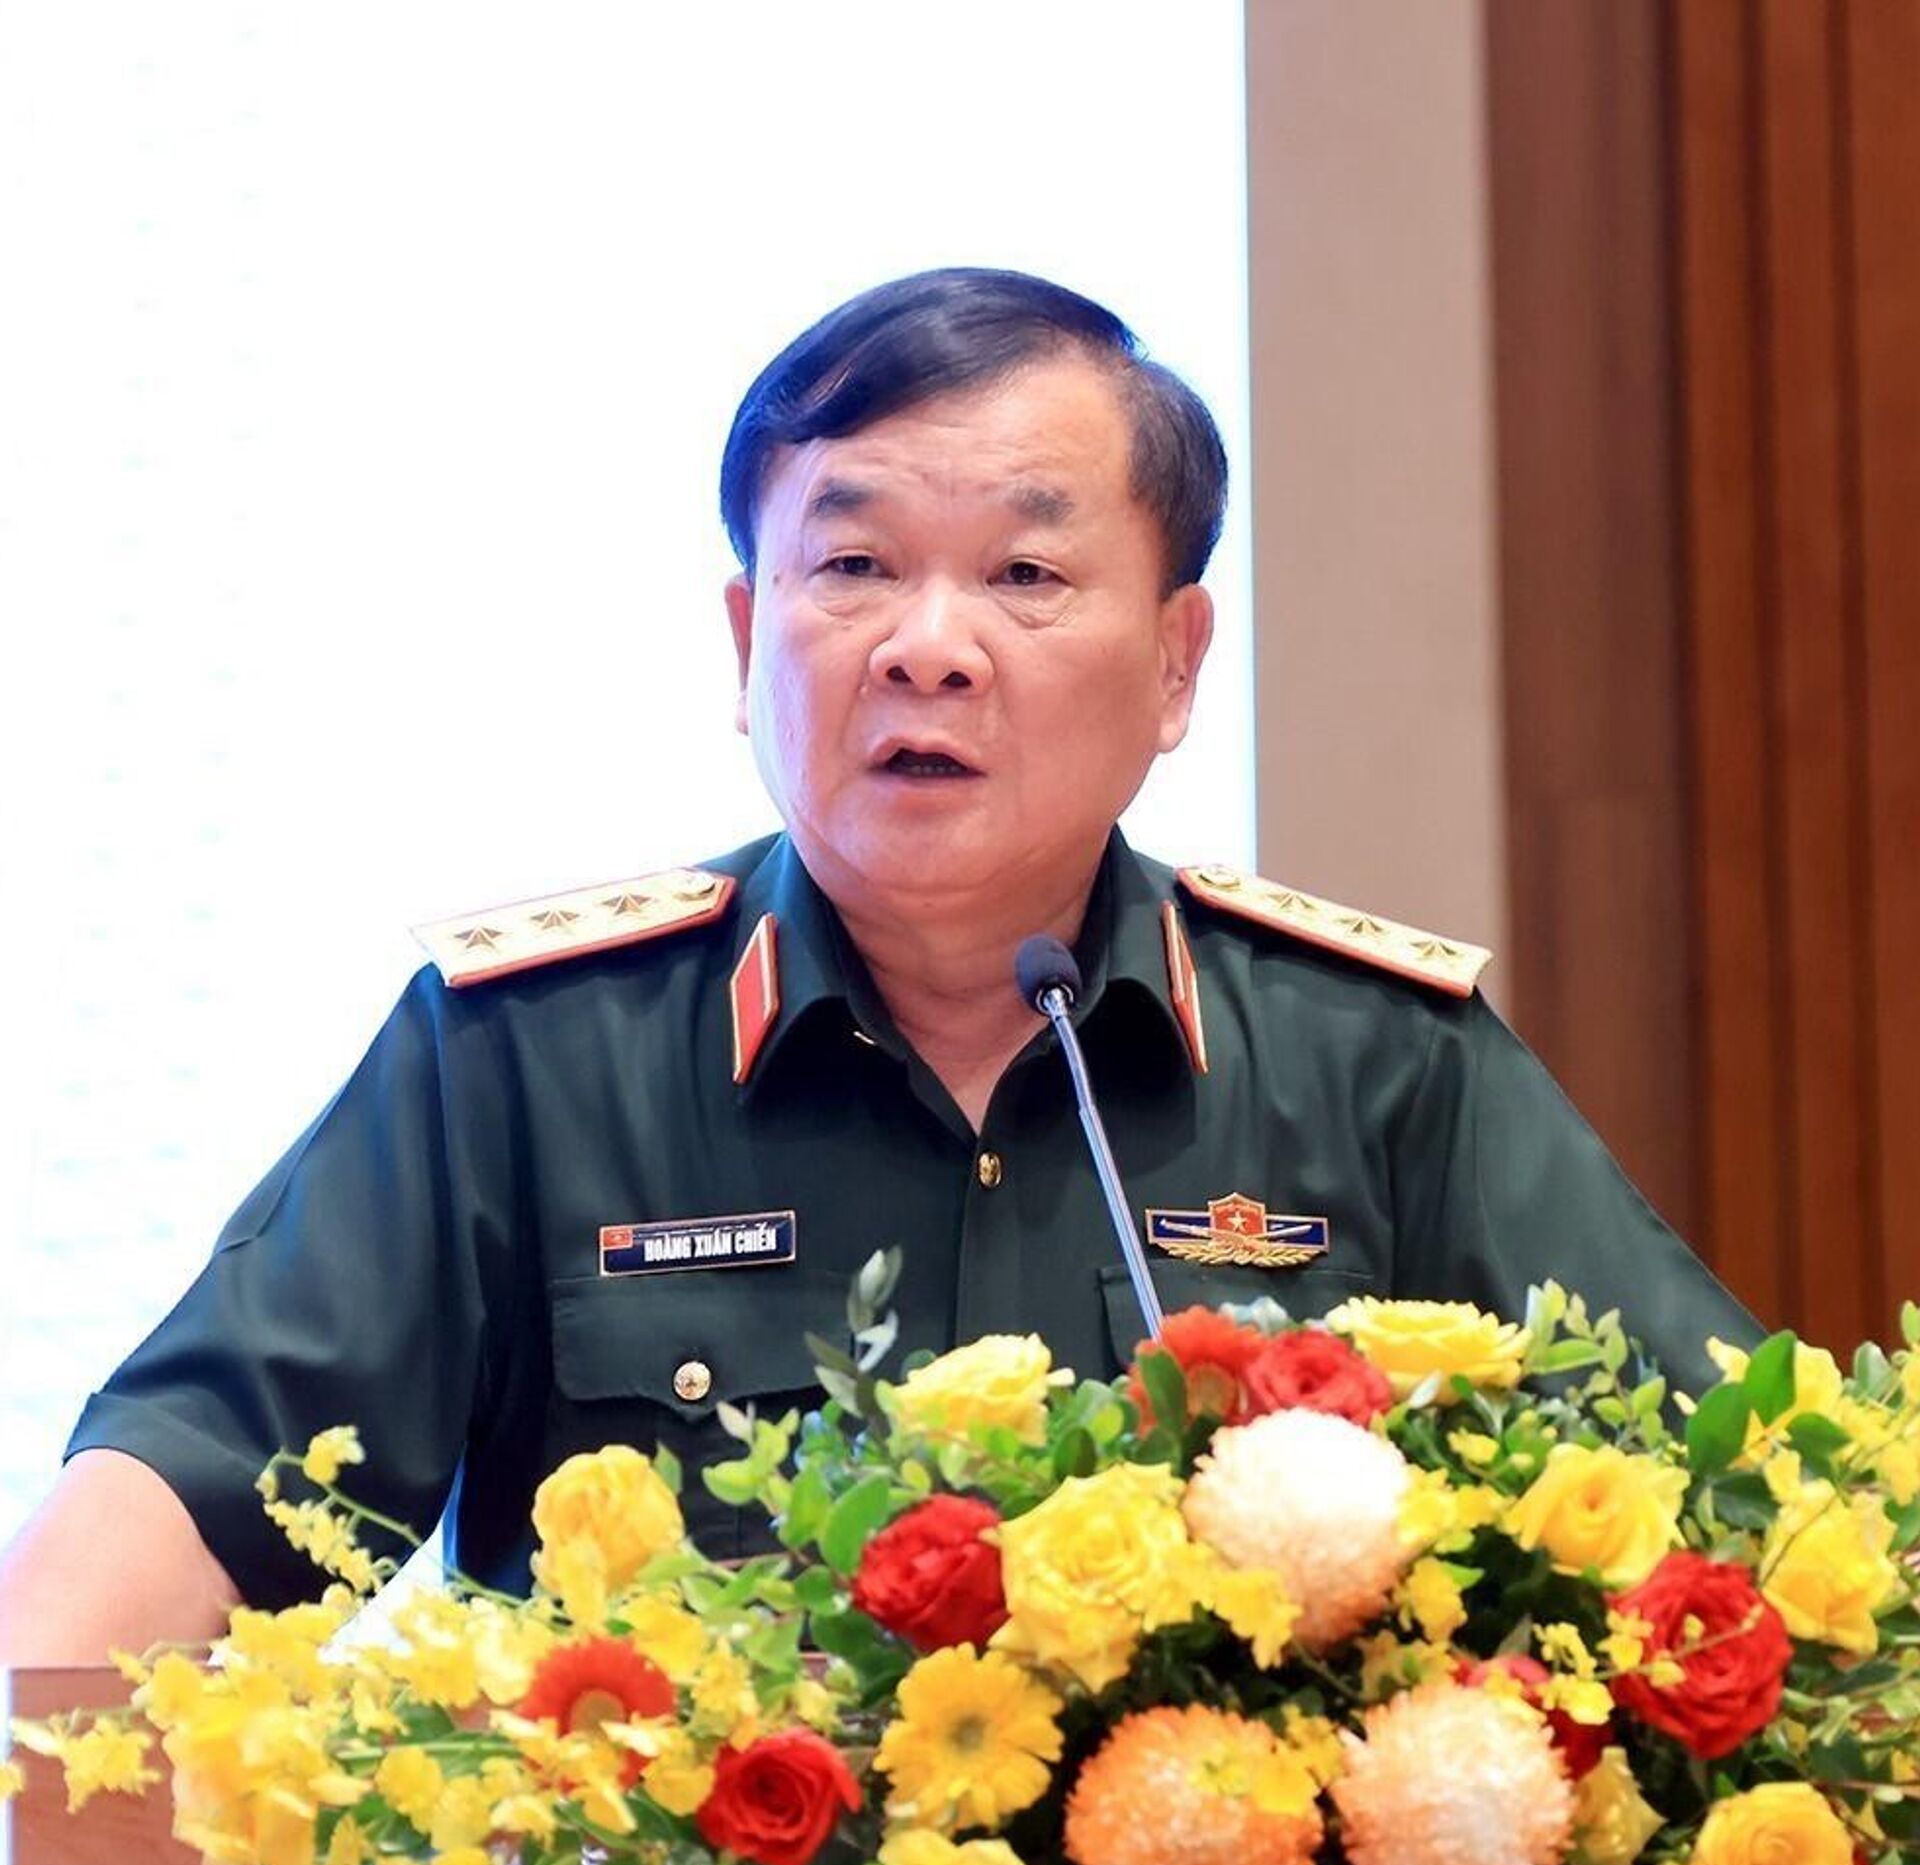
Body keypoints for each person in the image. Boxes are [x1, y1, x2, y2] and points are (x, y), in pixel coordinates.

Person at [0, 268, 1763, 1666]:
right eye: (852, 565)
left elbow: (1749, 1507)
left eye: (1024, 572)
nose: (930, 647)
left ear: (1175, 662)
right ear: (749, 636)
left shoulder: (1373, 1055)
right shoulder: (530, 1051)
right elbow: (181, 1510)